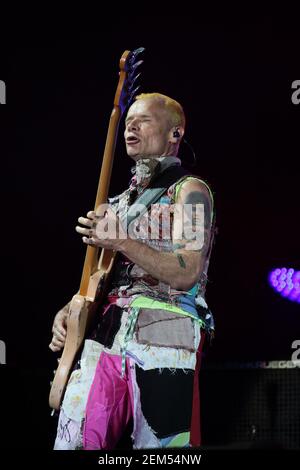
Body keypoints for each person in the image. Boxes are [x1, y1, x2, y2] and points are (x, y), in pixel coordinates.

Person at [50, 92, 216, 450]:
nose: (131, 128)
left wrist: (122, 240)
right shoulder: (115, 204)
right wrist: (70, 313)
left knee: (161, 449)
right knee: (73, 440)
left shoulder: (191, 192)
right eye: (128, 122)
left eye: (144, 120)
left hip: (167, 332)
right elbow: (98, 279)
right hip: (106, 332)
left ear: (175, 133)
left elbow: (187, 271)